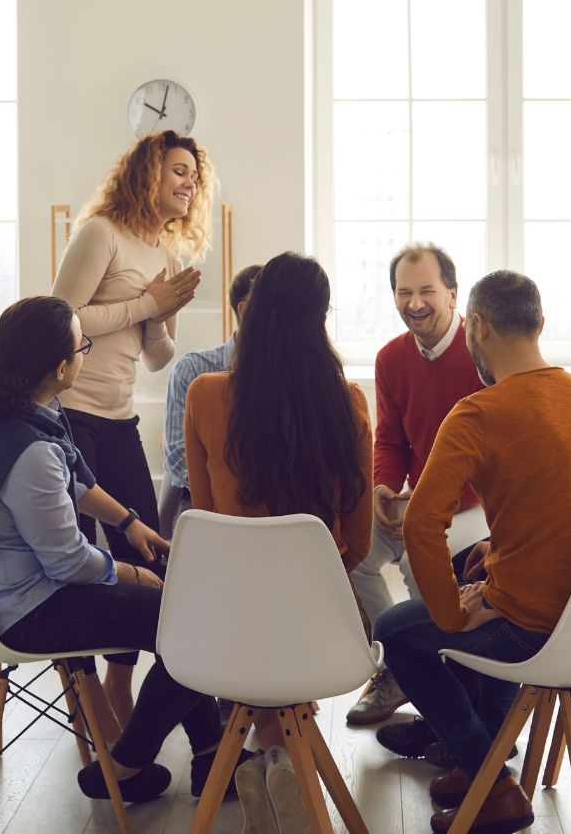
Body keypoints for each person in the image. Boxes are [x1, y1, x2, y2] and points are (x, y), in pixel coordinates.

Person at [0, 296, 243, 803]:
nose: (86, 354)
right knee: (193, 623)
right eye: (83, 346)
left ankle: (209, 760)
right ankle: (127, 764)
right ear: (61, 365)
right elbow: (68, 560)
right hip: (29, 608)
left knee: (184, 615)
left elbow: (69, 478)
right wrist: (134, 574)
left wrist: (129, 521)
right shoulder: (30, 450)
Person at [373, 271, 571, 834]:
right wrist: (493, 567)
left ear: (479, 325)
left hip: (533, 626)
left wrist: (454, 611)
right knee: (478, 564)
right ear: (538, 324)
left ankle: (491, 778)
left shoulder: (479, 413)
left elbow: (419, 526)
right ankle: (484, 764)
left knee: (396, 630)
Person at [183, 252, 372, 834]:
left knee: (255, 614)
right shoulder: (349, 404)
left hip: (226, 630)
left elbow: (205, 520)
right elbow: (359, 544)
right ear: (321, 318)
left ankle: (271, 759)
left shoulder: (205, 394)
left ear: (252, 313)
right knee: (291, 620)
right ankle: (285, 760)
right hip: (319, 626)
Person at [51, 129, 213, 725]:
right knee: (74, 560)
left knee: (147, 556)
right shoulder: (101, 234)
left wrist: (163, 314)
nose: (189, 182)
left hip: (118, 418)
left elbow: (156, 357)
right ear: (147, 174)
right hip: (69, 417)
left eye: (194, 174)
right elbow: (59, 318)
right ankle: (88, 695)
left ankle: (121, 684)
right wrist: (148, 305)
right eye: (177, 170)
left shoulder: (159, 250)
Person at [347, 243, 490, 728]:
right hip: (414, 499)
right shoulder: (390, 359)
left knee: (418, 559)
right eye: (404, 292)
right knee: (353, 553)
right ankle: (398, 666)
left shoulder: (483, 353)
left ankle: (434, 677)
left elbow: (494, 454)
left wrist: (426, 506)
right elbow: (389, 440)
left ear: (453, 294)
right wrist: (385, 489)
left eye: (427, 290)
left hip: (475, 503)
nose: (415, 302)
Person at [160, 262, 263, 526]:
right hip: (201, 500)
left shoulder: (290, 372)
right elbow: (177, 456)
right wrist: (230, 495)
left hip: (267, 500)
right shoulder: (192, 369)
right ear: (245, 310)